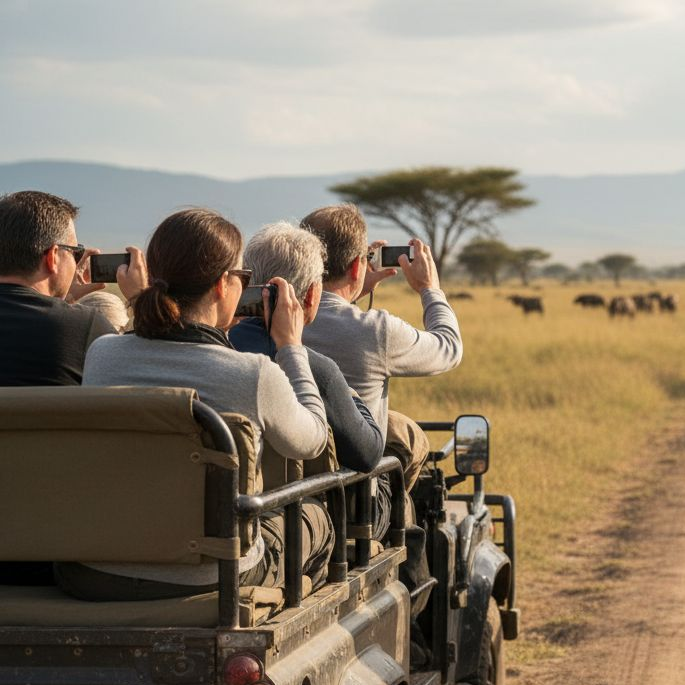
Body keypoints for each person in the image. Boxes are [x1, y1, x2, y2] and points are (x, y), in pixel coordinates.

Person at [56, 208, 334, 601]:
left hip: (96, 570)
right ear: (223, 284)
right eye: (242, 278)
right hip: (212, 576)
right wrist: (291, 345)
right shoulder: (253, 373)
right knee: (316, 518)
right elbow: (311, 442)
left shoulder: (102, 354)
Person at [300, 204, 463, 486]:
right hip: (356, 495)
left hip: (290, 482)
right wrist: (430, 289)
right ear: (356, 267)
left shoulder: (265, 321)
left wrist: (351, 292)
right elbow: (449, 348)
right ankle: (401, 524)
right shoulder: (375, 331)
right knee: (411, 439)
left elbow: (324, 314)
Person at [229, 222, 384, 474]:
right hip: (290, 505)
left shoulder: (218, 346)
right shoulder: (317, 369)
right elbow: (369, 453)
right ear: (312, 294)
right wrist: (350, 393)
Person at [0, 190, 147, 386]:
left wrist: (64, 300)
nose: (77, 262)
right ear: (52, 257)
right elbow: (145, 372)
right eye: (75, 252)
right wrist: (140, 298)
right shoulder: (84, 327)